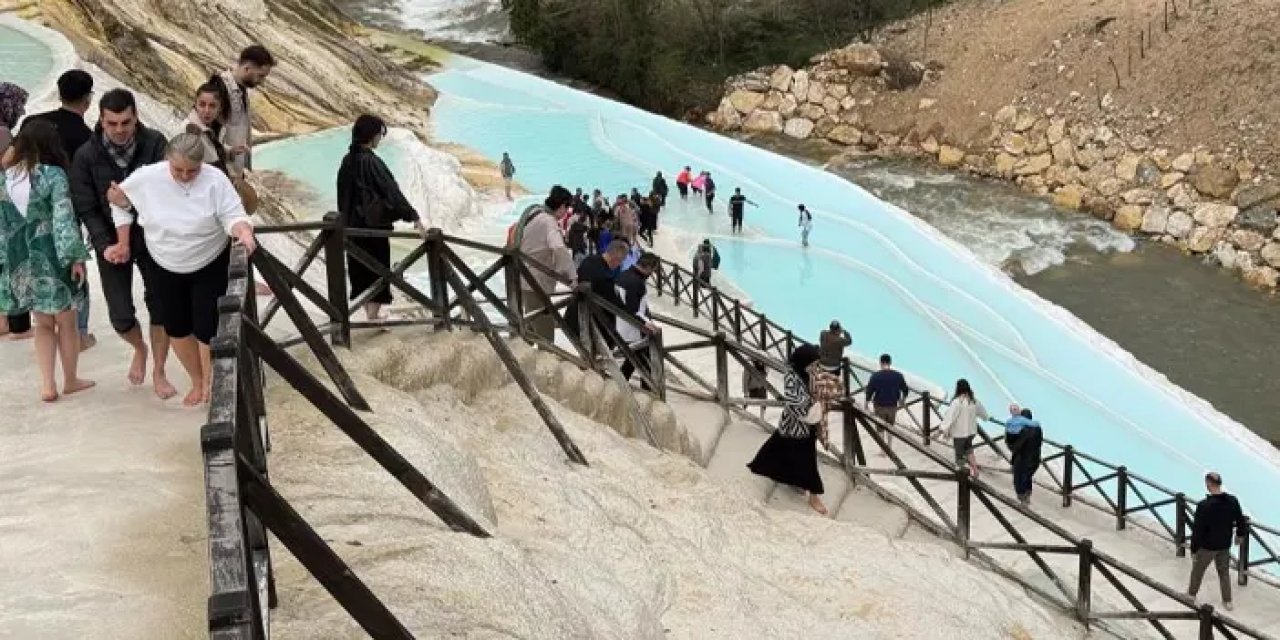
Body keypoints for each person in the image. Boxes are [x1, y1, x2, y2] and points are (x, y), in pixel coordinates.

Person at [106, 133, 256, 407]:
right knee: (176, 326)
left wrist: (243, 231)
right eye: (178, 170)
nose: (185, 176)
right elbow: (119, 203)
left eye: (192, 171)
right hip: (164, 262)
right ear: (167, 161)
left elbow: (233, 214)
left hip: (209, 259)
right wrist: (123, 240)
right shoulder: (147, 177)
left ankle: (212, 385)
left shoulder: (214, 179)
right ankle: (197, 380)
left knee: (207, 326)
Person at [69, 88, 175, 397]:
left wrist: (129, 204)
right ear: (100, 120)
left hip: (152, 236)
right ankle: (139, 347)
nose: (119, 130)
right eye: (111, 123)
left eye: (125, 123)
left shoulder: (155, 144)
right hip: (111, 241)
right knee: (120, 313)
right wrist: (106, 245)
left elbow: (167, 192)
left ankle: (159, 369)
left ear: (135, 118)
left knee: (161, 306)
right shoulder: (86, 156)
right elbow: (86, 206)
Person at [0, 120, 94, 402]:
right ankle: (71, 380)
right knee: (66, 320)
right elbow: (63, 220)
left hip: (21, 259)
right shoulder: (53, 176)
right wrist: (76, 258)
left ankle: (46, 385)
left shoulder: (4, 179)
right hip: (52, 254)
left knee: (41, 323)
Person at [24, 70, 96, 348]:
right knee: (74, 270)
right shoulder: (85, 137)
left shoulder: (33, 122)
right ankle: (79, 333)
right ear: (88, 99)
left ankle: (44, 326)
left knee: (37, 266)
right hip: (65, 210)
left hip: (28, 213)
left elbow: (12, 161)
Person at [336, 115, 425, 322]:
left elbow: (343, 196)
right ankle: (373, 318)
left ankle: (370, 316)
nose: (380, 139)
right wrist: (413, 216)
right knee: (376, 272)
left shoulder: (347, 161)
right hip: (372, 229)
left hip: (351, 229)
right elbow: (391, 191)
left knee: (361, 273)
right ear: (371, 136)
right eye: (379, 134)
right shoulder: (371, 162)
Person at [747, 344, 840, 515]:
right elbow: (794, 400)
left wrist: (825, 392)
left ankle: (786, 477)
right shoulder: (791, 377)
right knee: (799, 456)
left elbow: (828, 384)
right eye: (813, 363)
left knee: (783, 449)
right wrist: (814, 402)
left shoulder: (809, 372)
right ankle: (814, 495)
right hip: (796, 422)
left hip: (805, 424)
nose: (815, 366)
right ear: (804, 362)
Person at [512, 185, 576, 344]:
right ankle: (544, 363)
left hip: (523, 276)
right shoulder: (549, 222)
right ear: (562, 206)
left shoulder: (535, 212)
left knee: (531, 322)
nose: (567, 212)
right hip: (536, 280)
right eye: (567, 207)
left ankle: (523, 355)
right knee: (544, 328)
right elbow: (558, 248)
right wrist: (571, 276)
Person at [210, 44, 274, 178]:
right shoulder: (220, 88)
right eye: (260, 76)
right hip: (222, 171)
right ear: (247, 68)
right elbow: (209, 131)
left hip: (234, 169)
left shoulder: (240, 89)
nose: (262, 81)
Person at [1187, 471, 1246, 611]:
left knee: (1197, 571)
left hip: (1207, 547)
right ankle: (1227, 601)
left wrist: (1194, 549)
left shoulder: (1204, 506)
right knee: (1224, 573)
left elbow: (1198, 530)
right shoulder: (1233, 500)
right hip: (1224, 545)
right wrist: (1240, 534)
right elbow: (1240, 519)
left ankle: (1191, 595)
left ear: (1208, 484)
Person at [0, 82, 31, 341]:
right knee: (10, 261)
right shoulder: (2, 133)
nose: (19, 111)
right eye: (17, 106)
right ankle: (9, 321)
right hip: (5, 207)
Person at [565, 239, 629, 343]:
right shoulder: (600, 272)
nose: (621, 264)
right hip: (588, 325)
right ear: (617, 255)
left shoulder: (590, 260)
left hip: (582, 320)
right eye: (622, 260)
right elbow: (616, 304)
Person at [615, 252, 661, 391]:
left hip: (621, 325)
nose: (652, 274)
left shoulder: (623, 274)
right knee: (646, 362)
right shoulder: (637, 283)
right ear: (648, 267)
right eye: (653, 270)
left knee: (633, 359)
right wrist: (648, 325)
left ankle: (620, 384)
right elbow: (633, 310)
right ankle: (648, 393)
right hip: (633, 329)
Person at [940, 379, 989, 478]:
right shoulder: (974, 401)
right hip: (971, 432)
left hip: (959, 434)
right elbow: (983, 414)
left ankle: (961, 475)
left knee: (959, 454)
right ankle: (975, 470)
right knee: (969, 450)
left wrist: (943, 428)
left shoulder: (957, 402)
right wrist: (986, 418)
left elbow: (950, 417)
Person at [865, 353, 909, 449]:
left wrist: (866, 403)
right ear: (890, 363)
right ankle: (889, 447)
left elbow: (869, 391)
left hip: (879, 405)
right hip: (892, 405)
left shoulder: (875, 376)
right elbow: (905, 389)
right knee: (890, 426)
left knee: (880, 428)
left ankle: (883, 449)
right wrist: (903, 400)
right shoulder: (898, 376)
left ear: (881, 363)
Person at [184, 82, 228, 172]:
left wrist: (231, 151)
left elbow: (212, 152)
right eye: (202, 105)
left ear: (220, 108)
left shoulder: (215, 128)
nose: (207, 111)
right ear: (195, 104)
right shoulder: (188, 131)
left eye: (212, 106)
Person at [1004, 406, 1043, 504]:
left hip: (1022, 459)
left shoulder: (1022, 430)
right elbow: (1039, 443)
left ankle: (1023, 499)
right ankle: (1027, 495)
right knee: (1027, 477)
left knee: (1019, 479)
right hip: (1035, 458)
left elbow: (1017, 446)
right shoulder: (1038, 428)